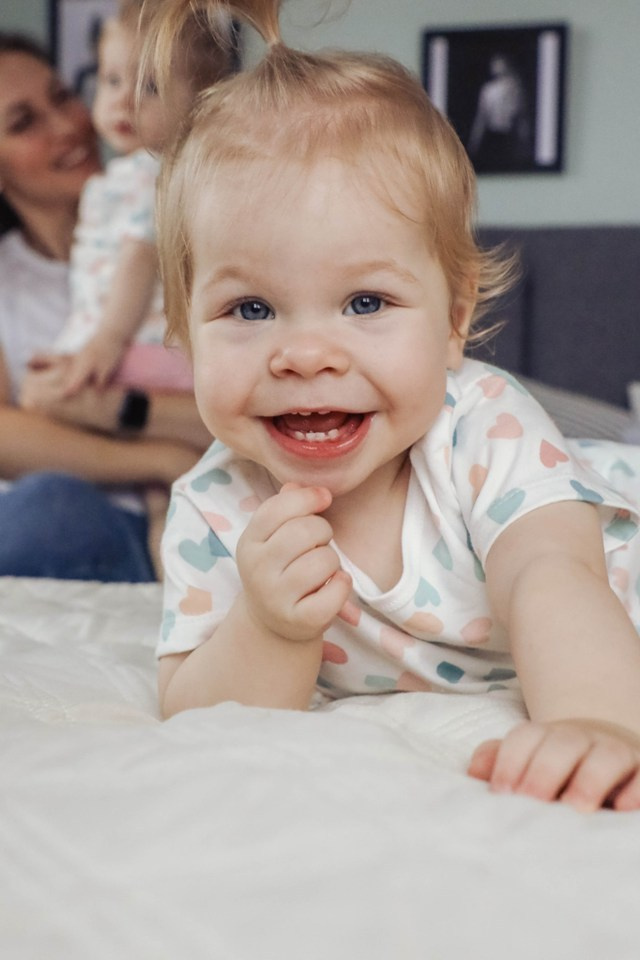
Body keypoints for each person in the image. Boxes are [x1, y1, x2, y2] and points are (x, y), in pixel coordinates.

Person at [151, 0, 640, 812]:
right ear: (183, 332)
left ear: (453, 322)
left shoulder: (482, 425)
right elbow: (196, 712)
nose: (306, 355)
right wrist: (269, 629)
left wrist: (600, 721)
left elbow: (552, 575)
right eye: (251, 309)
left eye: (366, 302)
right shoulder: (215, 505)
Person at [0, 32, 210, 581]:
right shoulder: (7, 281)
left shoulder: (186, 229)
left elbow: (242, 414)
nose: (66, 125)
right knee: (45, 506)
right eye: (24, 122)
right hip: (77, 520)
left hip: (198, 507)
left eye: (62, 96)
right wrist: (159, 458)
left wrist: (115, 409)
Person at [55, 0, 233, 397]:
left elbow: (140, 256)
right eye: (112, 80)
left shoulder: (152, 173)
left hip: (136, 345)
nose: (125, 100)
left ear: (199, 104)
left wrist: (108, 339)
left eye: (150, 87)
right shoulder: (134, 174)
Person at [467, 53, 531, 172]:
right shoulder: (488, 90)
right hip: (493, 136)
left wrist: (524, 140)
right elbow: (481, 118)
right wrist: (474, 143)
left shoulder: (515, 87)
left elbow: (521, 115)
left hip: (510, 136)